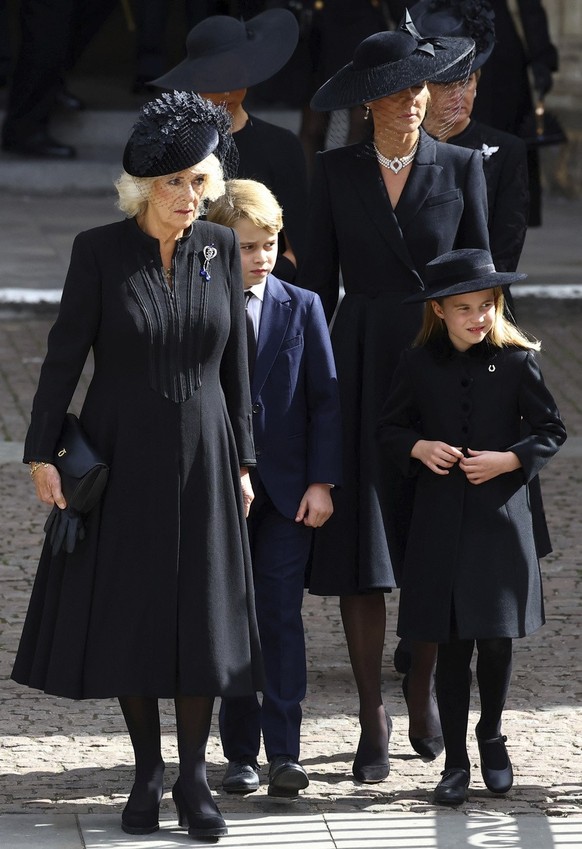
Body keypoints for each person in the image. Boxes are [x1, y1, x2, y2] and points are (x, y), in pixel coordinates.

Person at [11, 91, 263, 840]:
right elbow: (63, 358)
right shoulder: (97, 250)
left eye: (199, 182)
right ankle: (147, 768)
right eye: (174, 184)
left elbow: (238, 371)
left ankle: (193, 777)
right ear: (142, 189)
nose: (190, 197)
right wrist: (40, 450)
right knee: (134, 613)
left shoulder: (220, 251)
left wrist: (246, 461)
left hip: (207, 456)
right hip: (121, 457)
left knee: (200, 616)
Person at [297, 21, 491, 782]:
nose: (415, 100)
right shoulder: (335, 170)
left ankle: (421, 686)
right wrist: (298, 376)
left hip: (439, 364)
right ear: (369, 101)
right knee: (362, 546)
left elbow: (481, 282)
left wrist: (493, 374)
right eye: (398, 90)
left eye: (421, 86)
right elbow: (313, 288)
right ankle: (372, 709)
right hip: (358, 360)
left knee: (433, 536)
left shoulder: (463, 164)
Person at [377, 248, 566, 804]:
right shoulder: (416, 364)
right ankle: (455, 761)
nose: (479, 317)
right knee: (452, 645)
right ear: (439, 310)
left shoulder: (515, 360)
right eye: (465, 308)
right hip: (438, 524)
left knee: (497, 640)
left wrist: (509, 460)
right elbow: (388, 429)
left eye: (487, 305)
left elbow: (551, 429)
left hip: (500, 524)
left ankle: (492, 736)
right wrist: (418, 445)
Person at [206, 178, 342, 799]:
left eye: (270, 243)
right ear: (214, 246)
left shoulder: (303, 304)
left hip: (289, 493)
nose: (261, 256)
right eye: (246, 247)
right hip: (220, 491)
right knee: (233, 616)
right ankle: (239, 754)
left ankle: (285, 750)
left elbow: (325, 400)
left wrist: (321, 481)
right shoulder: (200, 307)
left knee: (281, 615)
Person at [152, 9, 308, 283]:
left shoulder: (281, 145)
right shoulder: (172, 147)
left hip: (265, 290)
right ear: (195, 78)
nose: (226, 92)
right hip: (190, 288)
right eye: (215, 78)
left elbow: (299, 245)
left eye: (235, 78)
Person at [411, 0, 529, 276]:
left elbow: (505, 250)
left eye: (468, 81)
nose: (458, 94)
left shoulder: (508, 151)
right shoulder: (400, 146)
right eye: (446, 83)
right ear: (423, 87)